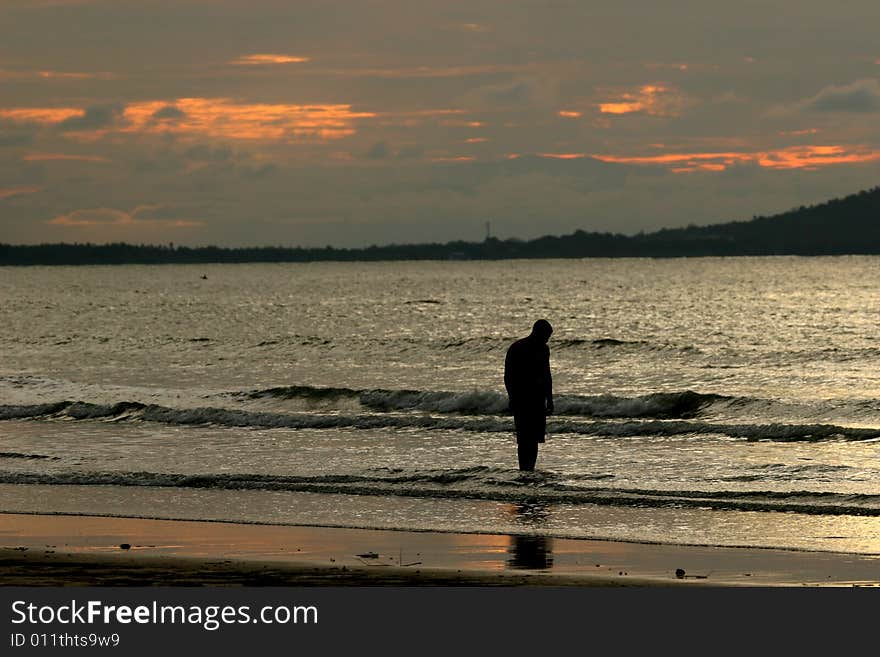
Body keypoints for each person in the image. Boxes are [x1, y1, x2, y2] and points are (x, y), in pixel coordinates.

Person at [504, 319, 554, 471]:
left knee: (535, 438)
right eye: (546, 336)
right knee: (524, 438)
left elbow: (547, 375)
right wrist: (512, 397)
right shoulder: (518, 348)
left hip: (538, 399)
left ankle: (529, 469)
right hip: (522, 398)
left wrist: (549, 399)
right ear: (537, 332)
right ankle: (524, 469)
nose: (547, 339)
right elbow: (509, 376)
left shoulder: (544, 349)